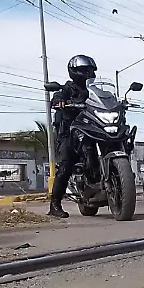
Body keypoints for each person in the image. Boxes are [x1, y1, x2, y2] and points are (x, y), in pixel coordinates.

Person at [47, 54, 98, 219]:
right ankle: (55, 205)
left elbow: (104, 100)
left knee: (94, 156)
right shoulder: (67, 89)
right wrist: (59, 101)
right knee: (66, 166)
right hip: (69, 132)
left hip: (89, 130)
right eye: (84, 70)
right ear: (74, 71)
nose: (87, 73)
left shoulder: (94, 91)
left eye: (90, 70)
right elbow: (57, 97)